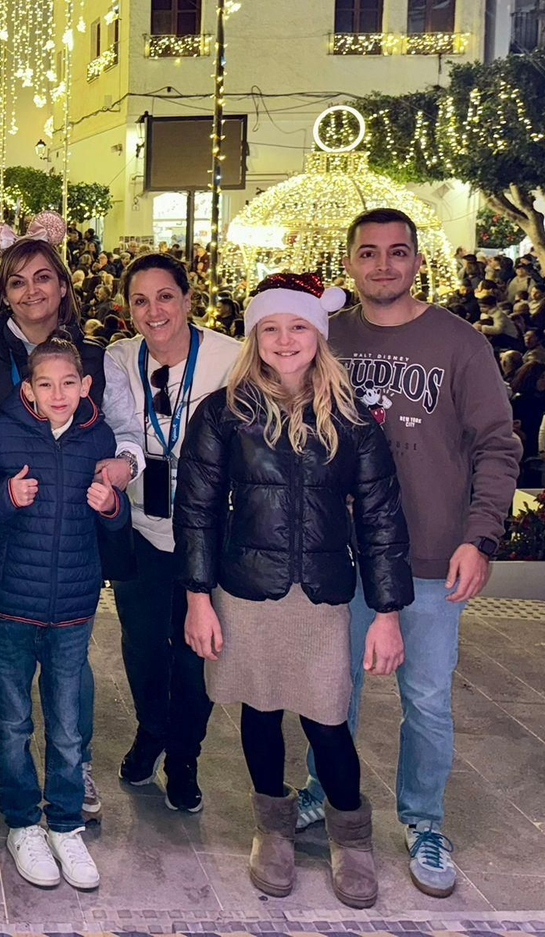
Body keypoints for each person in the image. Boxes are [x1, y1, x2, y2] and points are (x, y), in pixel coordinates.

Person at [296, 209, 521, 898]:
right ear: (350, 264)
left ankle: (423, 820)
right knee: (334, 690)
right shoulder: (328, 337)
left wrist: (479, 536)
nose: (384, 265)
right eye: (369, 253)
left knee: (424, 697)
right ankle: (324, 789)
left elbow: (497, 445)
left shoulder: (459, 343)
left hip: (428, 556)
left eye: (397, 253)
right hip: (343, 555)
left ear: (419, 261)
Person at [175, 272, 411, 909]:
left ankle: (351, 835)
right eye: (271, 328)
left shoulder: (351, 416)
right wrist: (198, 596)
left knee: (329, 719)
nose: (284, 340)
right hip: (247, 590)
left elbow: (383, 515)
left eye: (298, 326)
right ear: (255, 336)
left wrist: (387, 611)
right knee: (259, 710)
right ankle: (272, 827)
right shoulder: (224, 412)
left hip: (322, 596)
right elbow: (194, 509)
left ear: (319, 334)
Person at [0, 233, 141, 822]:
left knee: (71, 674)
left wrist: (120, 478)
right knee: (11, 678)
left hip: (72, 548)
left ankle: (76, 770)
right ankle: (18, 789)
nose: (31, 291)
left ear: (63, 287)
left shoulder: (97, 356)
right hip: (11, 543)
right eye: (16, 281)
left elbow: (122, 437)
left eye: (42, 277)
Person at [0, 338, 130, 892]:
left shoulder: (99, 438)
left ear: (85, 386)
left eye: (69, 383)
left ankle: (64, 822)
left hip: (74, 602)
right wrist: (5, 498)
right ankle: (21, 821)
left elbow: (114, 519)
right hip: (9, 599)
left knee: (66, 727)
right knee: (12, 720)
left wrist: (112, 507)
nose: (57, 394)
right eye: (45, 384)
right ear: (27, 389)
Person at [99, 253, 238, 809]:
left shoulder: (231, 358)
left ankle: (184, 753)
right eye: (139, 300)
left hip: (208, 530)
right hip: (139, 526)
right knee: (142, 645)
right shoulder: (116, 359)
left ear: (187, 297)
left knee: (194, 648)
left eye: (164, 296)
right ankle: (151, 729)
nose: (153, 311)